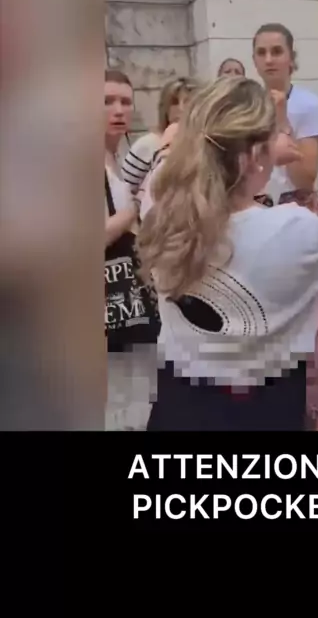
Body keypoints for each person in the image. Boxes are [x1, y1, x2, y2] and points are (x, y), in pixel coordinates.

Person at [138, 76, 318, 431]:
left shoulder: (162, 220)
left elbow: (163, 179)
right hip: (265, 413)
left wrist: (174, 147)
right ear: (257, 155)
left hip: (178, 412)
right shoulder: (300, 232)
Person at [252, 22, 318, 426]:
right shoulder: (247, 104)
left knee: (314, 319)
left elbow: (304, 177)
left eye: (277, 51)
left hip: (298, 211)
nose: (269, 59)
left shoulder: (306, 104)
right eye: (262, 52)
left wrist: (281, 119)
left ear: (291, 58)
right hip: (256, 215)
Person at [104, 69, 159, 430]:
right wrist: (131, 212)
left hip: (127, 303)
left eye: (125, 101)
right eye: (107, 101)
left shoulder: (116, 157)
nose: (118, 110)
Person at [122, 76, 197, 195]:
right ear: (165, 108)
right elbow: (124, 192)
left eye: (188, 102)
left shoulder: (204, 146)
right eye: (174, 102)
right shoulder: (147, 145)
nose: (181, 108)